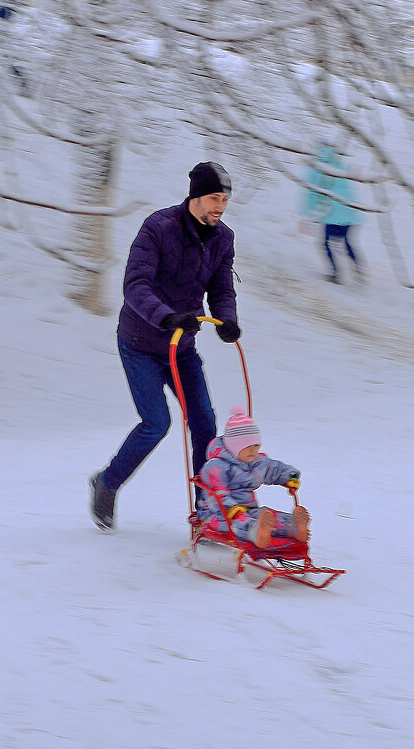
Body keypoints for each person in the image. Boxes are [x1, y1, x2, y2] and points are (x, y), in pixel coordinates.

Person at [88, 161, 243, 532]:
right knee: (157, 423)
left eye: (224, 199)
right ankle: (107, 483)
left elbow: (221, 288)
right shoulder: (159, 228)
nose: (219, 206)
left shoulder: (223, 238)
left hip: (182, 347)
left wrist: (226, 318)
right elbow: (136, 285)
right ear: (195, 197)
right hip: (140, 342)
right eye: (213, 198)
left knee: (205, 421)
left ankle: (206, 515)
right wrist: (168, 316)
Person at [196, 406, 309, 548]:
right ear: (233, 446)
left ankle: (292, 526)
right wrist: (233, 509)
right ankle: (254, 531)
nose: (253, 450)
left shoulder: (255, 461)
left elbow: (272, 468)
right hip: (217, 514)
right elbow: (217, 495)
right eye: (247, 446)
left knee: (266, 515)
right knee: (239, 523)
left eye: (256, 445)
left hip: (248, 509)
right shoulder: (216, 467)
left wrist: (289, 476)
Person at [303, 144, 364, 284]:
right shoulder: (342, 168)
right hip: (349, 213)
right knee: (346, 242)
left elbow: (317, 194)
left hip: (333, 214)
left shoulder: (322, 172)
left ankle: (335, 273)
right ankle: (358, 270)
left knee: (325, 243)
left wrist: (312, 213)